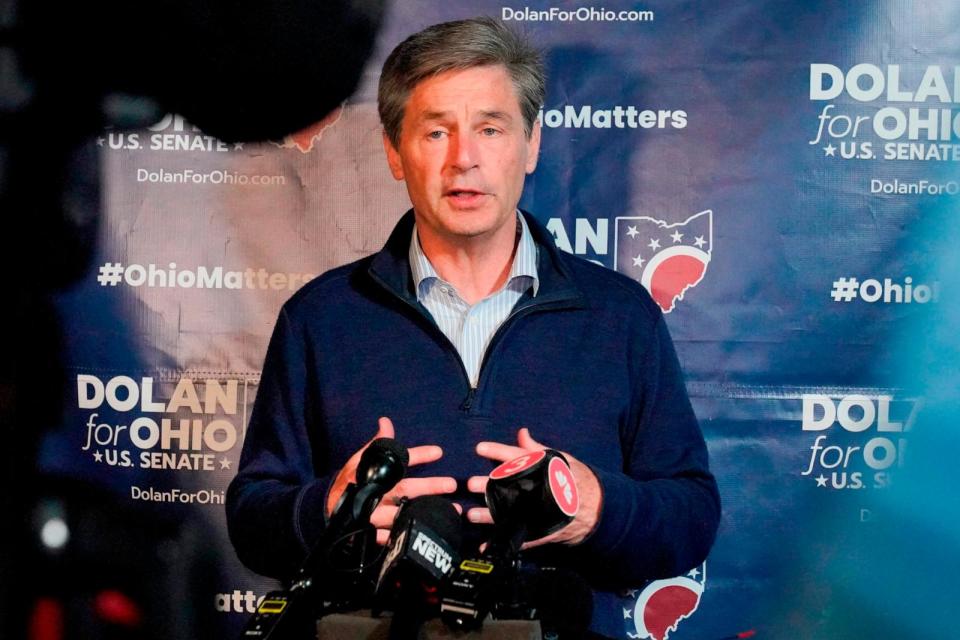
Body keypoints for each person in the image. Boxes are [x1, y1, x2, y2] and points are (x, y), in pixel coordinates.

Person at [226, 17, 720, 638]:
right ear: (393, 151)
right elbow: (251, 522)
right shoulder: (320, 318)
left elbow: (692, 519)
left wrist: (599, 508)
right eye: (436, 132)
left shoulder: (622, 317)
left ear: (532, 143)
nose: (464, 158)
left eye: (491, 128)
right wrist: (329, 508)